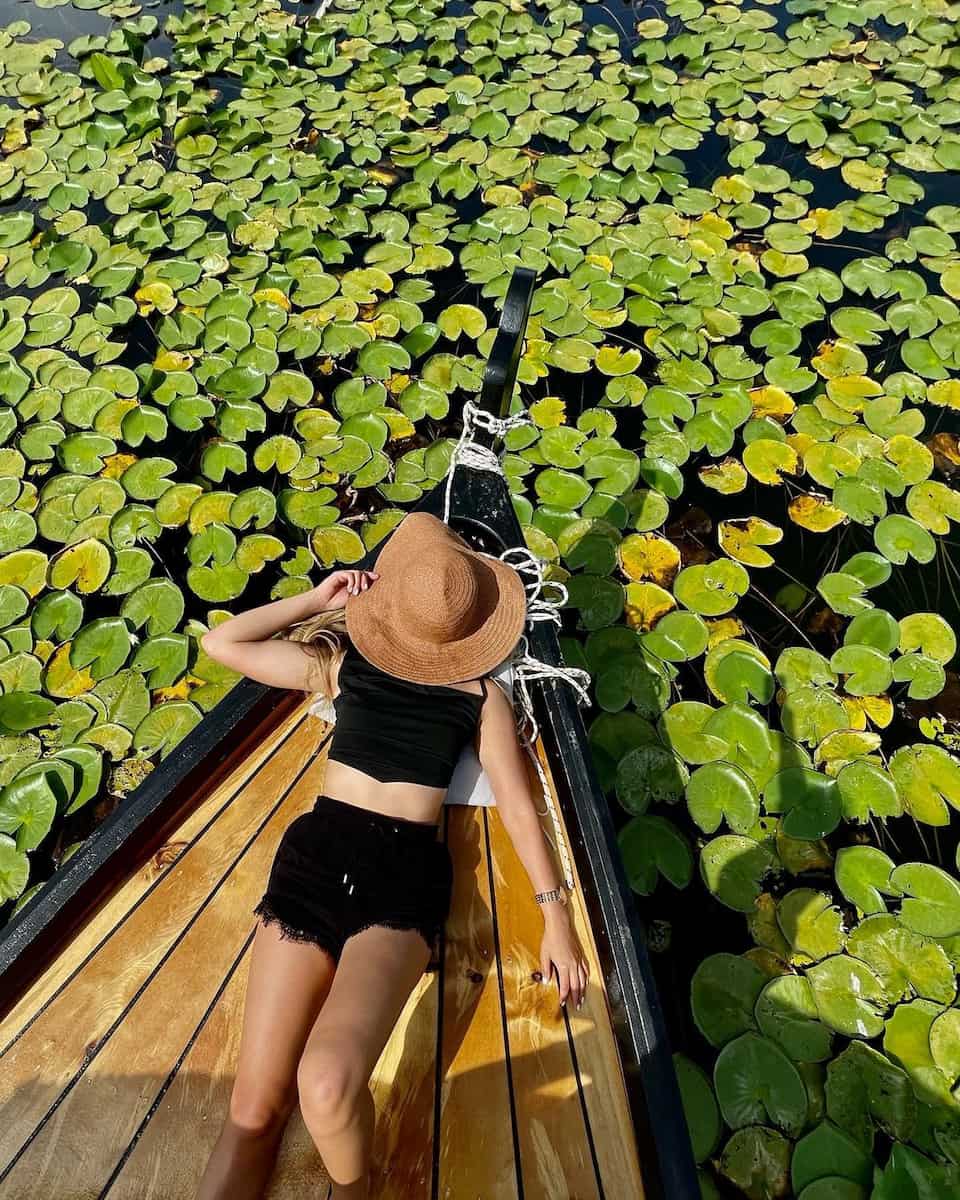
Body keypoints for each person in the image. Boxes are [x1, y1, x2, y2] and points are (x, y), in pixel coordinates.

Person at [196, 511, 589, 1200]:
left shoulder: (480, 697)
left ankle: (359, 1187)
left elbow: (519, 805)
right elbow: (222, 642)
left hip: (400, 883)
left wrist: (554, 914)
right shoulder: (345, 665)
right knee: (253, 1110)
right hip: (315, 860)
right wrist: (316, 603)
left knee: (324, 1082)